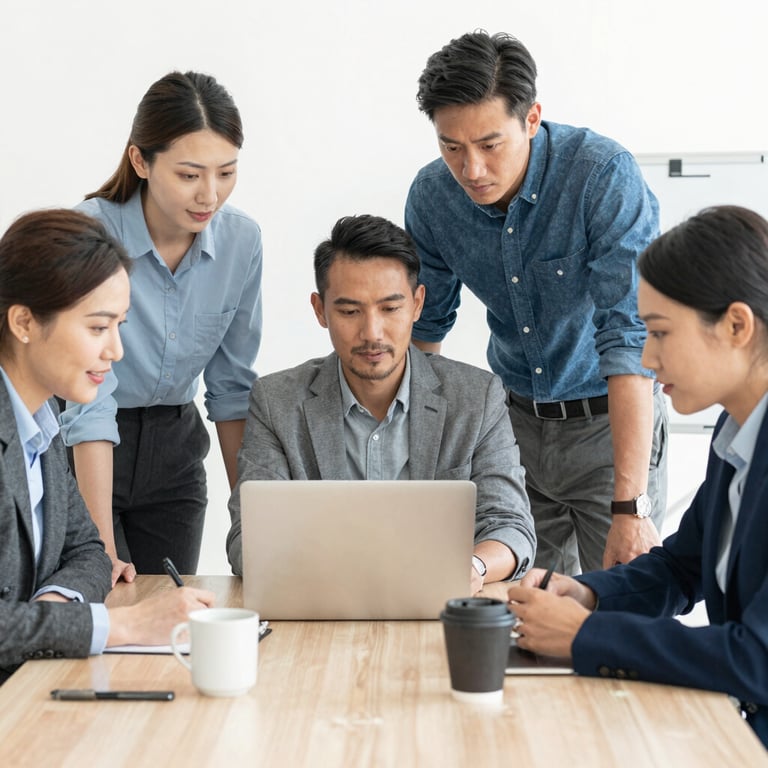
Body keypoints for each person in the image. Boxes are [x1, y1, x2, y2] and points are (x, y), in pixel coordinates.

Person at [405, 31, 668, 575]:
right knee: (524, 620)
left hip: (609, 427)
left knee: (618, 615)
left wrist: (630, 504)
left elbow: (629, 337)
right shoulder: (432, 197)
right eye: (451, 147)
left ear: (530, 119)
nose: (471, 169)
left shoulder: (601, 176)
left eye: (488, 144)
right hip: (513, 427)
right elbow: (425, 330)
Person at [507, 205, 768, 746]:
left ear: (737, 325)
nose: (646, 358)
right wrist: (585, 595)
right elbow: (680, 566)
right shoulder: (736, 431)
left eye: (660, 333)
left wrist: (586, 635)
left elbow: (757, 657)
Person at [226, 214, 535, 592]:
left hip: (440, 608)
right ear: (320, 310)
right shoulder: (277, 401)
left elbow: (511, 527)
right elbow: (247, 542)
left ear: (418, 304)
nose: (372, 333)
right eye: (350, 311)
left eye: (390, 309)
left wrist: (472, 567)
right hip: (321, 608)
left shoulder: (476, 396)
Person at [60, 71, 263, 583]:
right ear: (140, 161)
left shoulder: (241, 242)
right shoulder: (92, 232)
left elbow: (232, 389)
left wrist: (252, 526)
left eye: (226, 172)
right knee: (101, 599)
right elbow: (91, 400)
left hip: (176, 453)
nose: (209, 195)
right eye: (189, 174)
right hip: (85, 447)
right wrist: (100, 547)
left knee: (165, 617)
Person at [0, 209, 214, 682]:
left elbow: (91, 552)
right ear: (23, 322)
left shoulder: (42, 419)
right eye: (98, 327)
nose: (115, 351)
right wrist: (121, 623)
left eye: (120, 325)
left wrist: (55, 612)